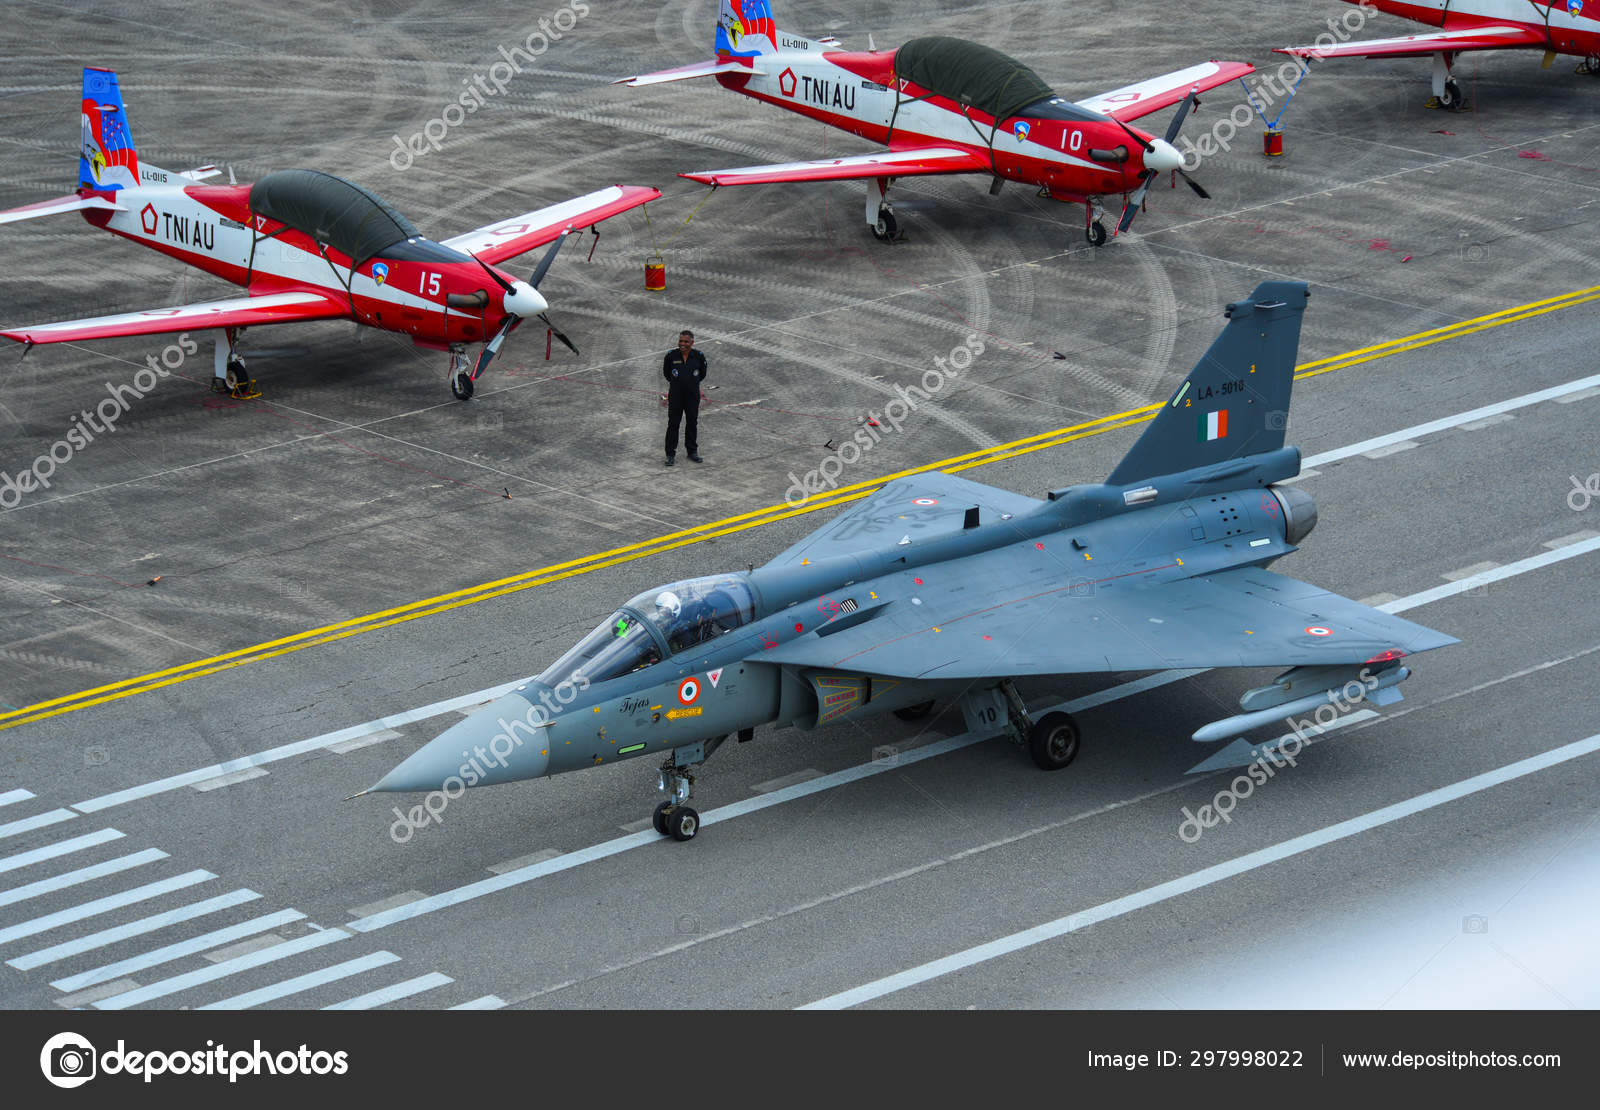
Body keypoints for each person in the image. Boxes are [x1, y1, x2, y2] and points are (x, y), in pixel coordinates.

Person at [662, 329, 707, 465]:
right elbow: (667, 374)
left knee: (692, 423)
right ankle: (670, 454)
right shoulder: (671, 356)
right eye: (681, 341)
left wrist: (690, 384)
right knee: (673, 424)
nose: (682, 344)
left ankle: (692, 452)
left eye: (686, 341)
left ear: (692, 343)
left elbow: (702, 375)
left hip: (692, 396)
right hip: (676, 396)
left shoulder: (699, 356)